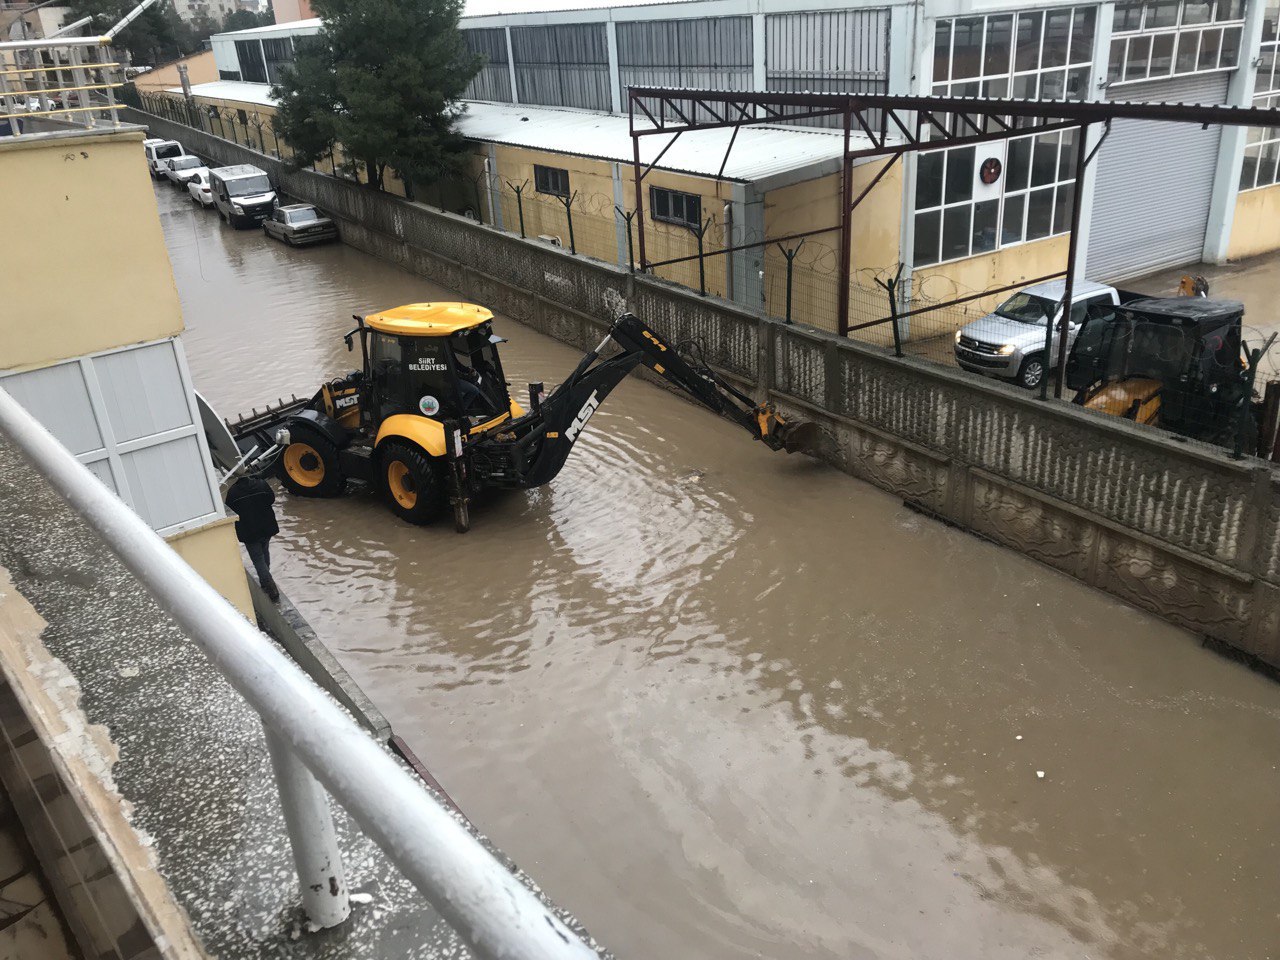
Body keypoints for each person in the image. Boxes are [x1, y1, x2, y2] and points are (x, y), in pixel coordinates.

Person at [225, 474, 281, 602]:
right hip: (266, 526)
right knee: (265, 551)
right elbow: (271, 499)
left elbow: (229, 510)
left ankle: (268, 583)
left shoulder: (233, 492)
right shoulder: (261, 484)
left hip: (249, 531)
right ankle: (266, 578)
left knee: (257, 558)